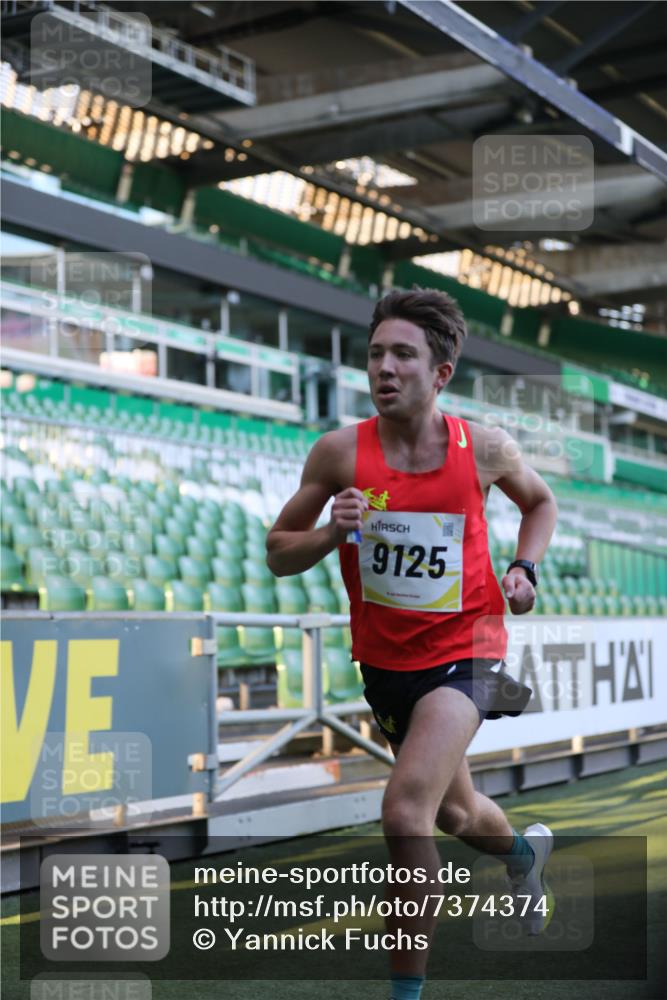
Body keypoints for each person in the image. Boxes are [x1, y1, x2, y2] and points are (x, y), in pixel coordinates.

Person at [266, 288, 559, 1000]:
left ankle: (405, 995)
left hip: (469, 648)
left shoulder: (483, 447)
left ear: (441, 372)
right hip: (386, 663)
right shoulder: (337, 453)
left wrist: (522, 568)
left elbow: (539, 503)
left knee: (403, 813)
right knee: (454, 815)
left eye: (403, 354)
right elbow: (278, 552)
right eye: (375, 354)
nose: (384, 369)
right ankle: (522, 855)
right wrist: (333, 533)